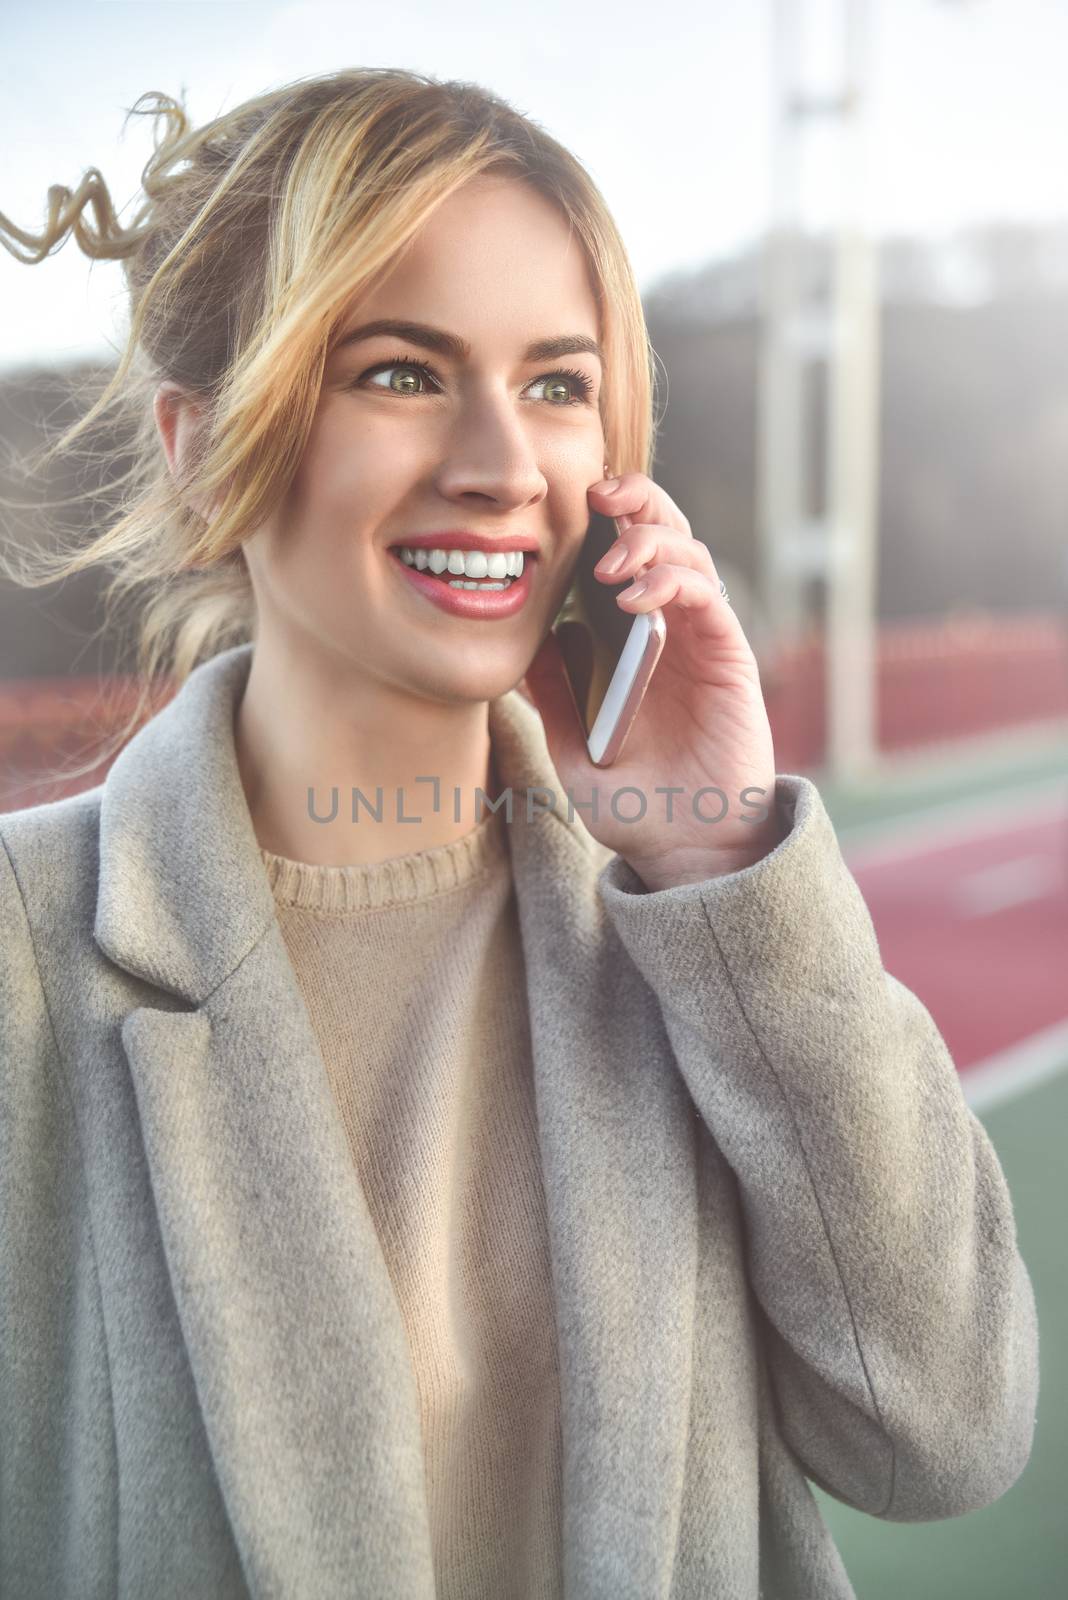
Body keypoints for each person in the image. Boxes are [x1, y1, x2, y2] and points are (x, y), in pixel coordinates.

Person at [0, 68, 1039, 1600]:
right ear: (204, 444)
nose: (503, 463)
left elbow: (942, 1431)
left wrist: (722, 850)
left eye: (559, 385)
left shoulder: (692, 924)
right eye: (404, 373)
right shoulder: (29, 949)